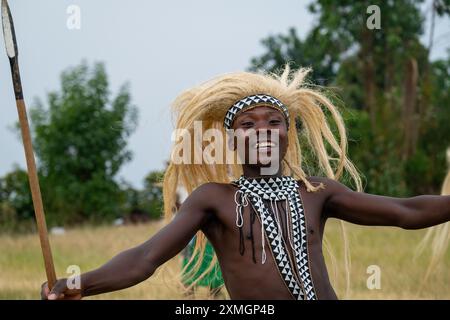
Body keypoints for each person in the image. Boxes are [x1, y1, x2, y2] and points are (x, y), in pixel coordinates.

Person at [41, 66, 450, 300]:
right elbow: (145, 258)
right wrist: (79, 284)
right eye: (248, 125)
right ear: (232, 138)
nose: (264, 131)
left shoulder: (317, 192)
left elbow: (405, 211)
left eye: (275, 122)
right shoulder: (213, 200)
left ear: (289, 134)